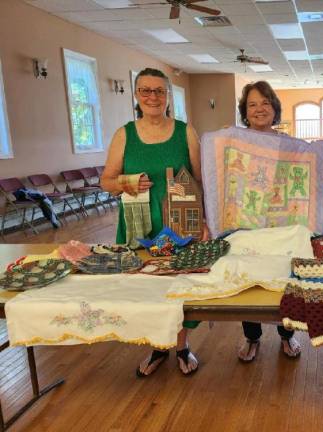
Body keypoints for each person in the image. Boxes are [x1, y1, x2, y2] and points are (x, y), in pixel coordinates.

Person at [101, 68, 205, 377]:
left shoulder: (186, 132)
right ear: (136, 95)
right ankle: (159, 347)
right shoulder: (125, 134)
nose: (152, 96)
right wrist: (127, 181)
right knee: (149, 288)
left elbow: (201, 179)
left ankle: (182, 346)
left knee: (182, 286)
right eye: (145, 90)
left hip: (181, 224)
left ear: (168, 96)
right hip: (139, 225)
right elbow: (105, 181)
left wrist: (206, 221)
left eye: (159, 91)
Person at [234, 81, 302, 362]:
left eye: (265, 103)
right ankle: (252, 337)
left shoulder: (288, 145)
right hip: (246, 223)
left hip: (281, 225)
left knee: (283, 277)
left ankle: (287, 334)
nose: (259, 109)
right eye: (252, 104)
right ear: (245, 111)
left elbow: (306, 172)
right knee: (249, 279)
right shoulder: (234, 142)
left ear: (274, 107)